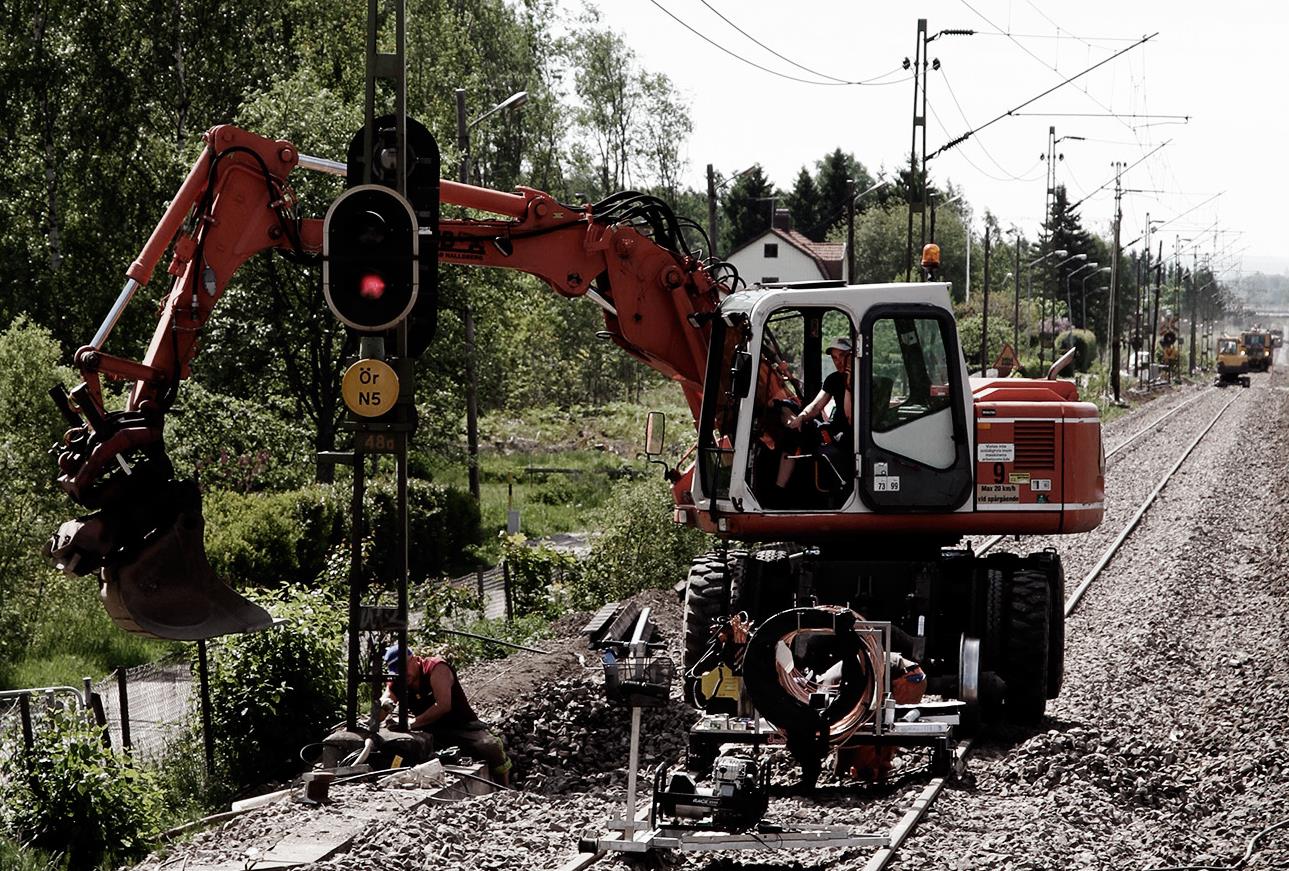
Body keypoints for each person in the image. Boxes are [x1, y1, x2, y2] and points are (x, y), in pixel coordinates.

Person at [380, 644, 512, 786]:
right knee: (401, 749)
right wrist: (383, 706)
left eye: (404, 669)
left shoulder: (436, 668)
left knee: (489, 746)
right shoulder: (399, 681)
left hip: (460, 726)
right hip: (428, 729)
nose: (403, 675)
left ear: (414, 660)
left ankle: (503, 788)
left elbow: (443, 705)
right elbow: (385, 700)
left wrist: (411, 724)